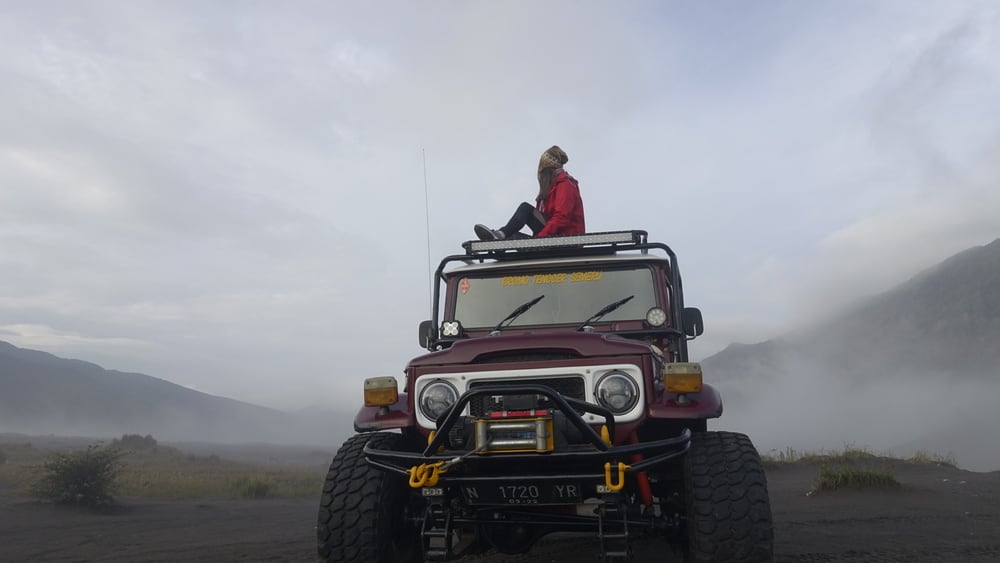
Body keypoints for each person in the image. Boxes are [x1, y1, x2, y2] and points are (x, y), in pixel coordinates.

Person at [474, 145, 586, 240]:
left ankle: (500, 235)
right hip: (553, 235)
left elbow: (562, 217)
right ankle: (500, 238)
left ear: (548, 169)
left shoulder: (565, 184)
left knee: (525, 208)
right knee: (511, 235)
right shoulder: (551, 187)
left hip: (564, 238)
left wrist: (540, 239)